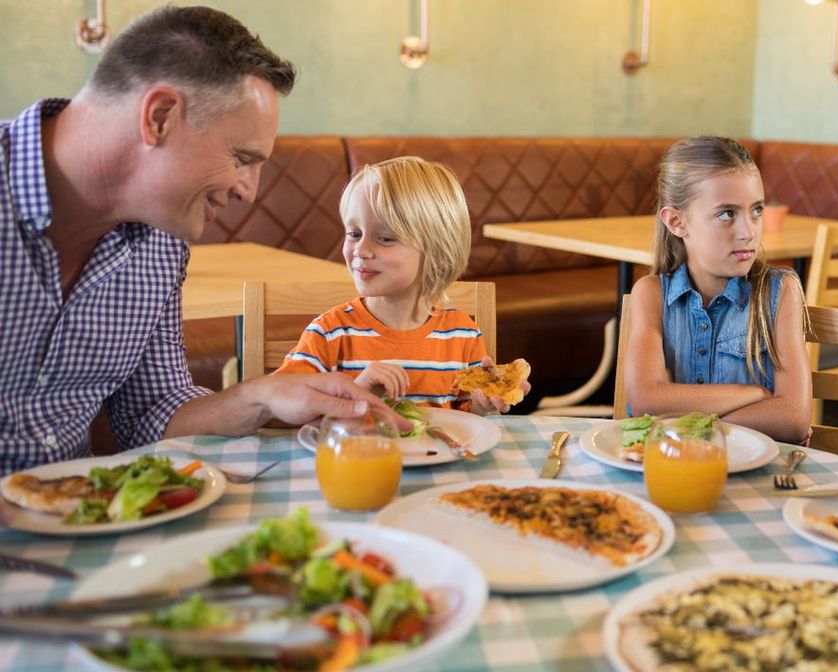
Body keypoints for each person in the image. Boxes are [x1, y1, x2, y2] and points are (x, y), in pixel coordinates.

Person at [0, 6, 403, 475]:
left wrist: (262, 395)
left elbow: (152, 412)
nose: (247, 191)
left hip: (72, 526)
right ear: (161, 116)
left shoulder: (161, 245)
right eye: (241, 158)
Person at [273, 157, 526, 414]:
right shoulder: (329, 333)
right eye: (354, 233)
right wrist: (356, 393)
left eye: (384, 238)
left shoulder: (463, 335)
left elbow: (464, 414)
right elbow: (275, 405)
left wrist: (483, 407)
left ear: (437, 253)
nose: (361, 250)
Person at [622, 136, 812, 444]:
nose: (748, 231)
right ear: (677, 222)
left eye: (757, 210)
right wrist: (754, 395)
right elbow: (647, 400)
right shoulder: (651, 293)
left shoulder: (780, 292)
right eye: (727, 214)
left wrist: (683, 425)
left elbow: (793, 419)